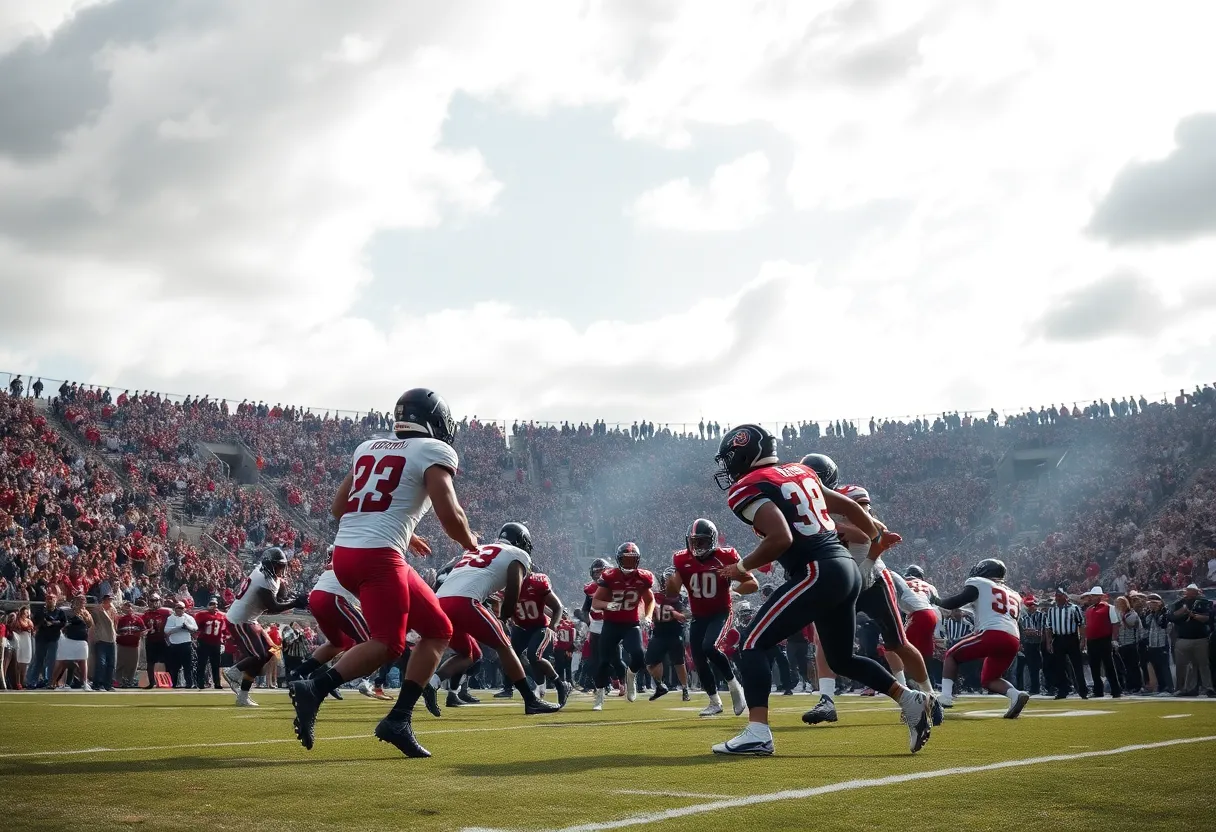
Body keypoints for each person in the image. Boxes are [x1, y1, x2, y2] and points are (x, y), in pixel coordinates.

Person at [710, 425, 930, 756]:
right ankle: (910, 699)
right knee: (842, 658)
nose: (728, 466)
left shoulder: (748, 486)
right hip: (845, 569)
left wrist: (740, 568)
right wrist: (874, 539)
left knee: (753, 643)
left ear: (745, 452)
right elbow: (853, 510)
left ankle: (758, 733)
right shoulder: (801, 472)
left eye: (730, 457)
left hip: (817, 570)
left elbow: (780, 538)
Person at [289, 388, 477, 758]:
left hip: (349, 553)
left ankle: (399, 718)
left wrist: (403, 529)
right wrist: (470, 542)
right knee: (389, 642)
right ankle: (315, 687)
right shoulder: (434, 450)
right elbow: (451, 515)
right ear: (435, 421)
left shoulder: (369, 447)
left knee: (439, 629)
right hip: (378, 558)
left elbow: (340, 506)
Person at [433, 522, 562, 714]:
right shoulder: (518, 554)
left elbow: (445, 574)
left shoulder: (478, 549)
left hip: (438, 602)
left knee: (469, 654)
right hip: (464, 600)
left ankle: (430, 684)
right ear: (522, 541)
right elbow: (513, 592)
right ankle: (530, 700)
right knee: (504, 646)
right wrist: (504, 617)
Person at [668, 517, 757, 716]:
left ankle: (735, 687)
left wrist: (736, 590)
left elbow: (753, 583)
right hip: (699, 616)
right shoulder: (681, 559)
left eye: (702, 541)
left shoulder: (726, 556)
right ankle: (714, 702)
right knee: (698, 658)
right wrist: (673, 579)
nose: (698, 546)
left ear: (713, 540)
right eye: (694, 541)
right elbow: (671, 591)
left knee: (709, 647)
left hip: (720, 612)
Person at [931, 559, 1030, 718]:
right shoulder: (1015, 594)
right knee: (989, 679)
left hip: (993, 633)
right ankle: (1016, 695)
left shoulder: (980, 583)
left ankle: (946, 697)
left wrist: (935, 600)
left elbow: (955, 602)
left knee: (951, 655)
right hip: (1013, 639)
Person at [222, 548, 300, 706]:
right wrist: (295, 602)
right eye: (278, 565)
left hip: (250, 619)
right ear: (270, 565)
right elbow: (274, 607)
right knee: (257, 655)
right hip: (239, 619)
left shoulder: (265, 574)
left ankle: (243, 696)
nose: (281, 569)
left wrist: (288, 598)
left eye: (282, 566)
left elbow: (270, 607)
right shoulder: (264, 580)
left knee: (269, 652)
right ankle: (233, 672)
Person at [590, 542, 656, 710]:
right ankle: (599, 696)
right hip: (611, 624)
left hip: (631, 624)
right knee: (604, 661)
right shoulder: (610, 576)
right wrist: (609, 605)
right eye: (625, 560)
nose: (628, 564)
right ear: (619, 560)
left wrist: (648, 616)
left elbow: (650, 600)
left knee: (639, 655)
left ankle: (630, 676)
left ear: (638, 561)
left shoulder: (643, 577)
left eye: (631, 560)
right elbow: (596, 602)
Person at [505, 564, 567, 706]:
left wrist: (552, 627)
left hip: (540, 626)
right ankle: (538, 683)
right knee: (510, 657)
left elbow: (558, 607)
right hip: (520, 627)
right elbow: (503, 608)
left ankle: (559, 684)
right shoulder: (504, 585)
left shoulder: (537, 583)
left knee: (534, 656)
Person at [645, 566, 690, 702]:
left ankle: (685, 688)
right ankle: (660, 685)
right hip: (659, 633)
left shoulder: (682, 596)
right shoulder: (656, 596)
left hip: (675, 633)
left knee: (679, 663)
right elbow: (653, 610)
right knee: (650, 662)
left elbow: (686, 615)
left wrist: (676, 614)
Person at [51, 595, 92, 690]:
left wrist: (86, 616)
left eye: (83, 601)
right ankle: (53, 682)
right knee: (63, 662)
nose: (82, 603)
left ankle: (85, 682)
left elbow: (90, 625)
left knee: (83, 660)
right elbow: (60, 620)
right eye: (80, 601)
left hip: (81, 641)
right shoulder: (67, 611)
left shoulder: (86, 613)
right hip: (68, 639)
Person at [164, 600, 198, 688]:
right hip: (174, 644)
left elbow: (195, 628)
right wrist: (177, 628)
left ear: (184, 609)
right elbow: (166, 630)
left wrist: (187, 627)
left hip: (186, 643)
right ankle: (173, 684)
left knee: (187, 665)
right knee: (174, 666)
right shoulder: (170, 618)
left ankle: (189, 683)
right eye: (177, 608)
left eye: (181, 608)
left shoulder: (189, 618)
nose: (179, 610)